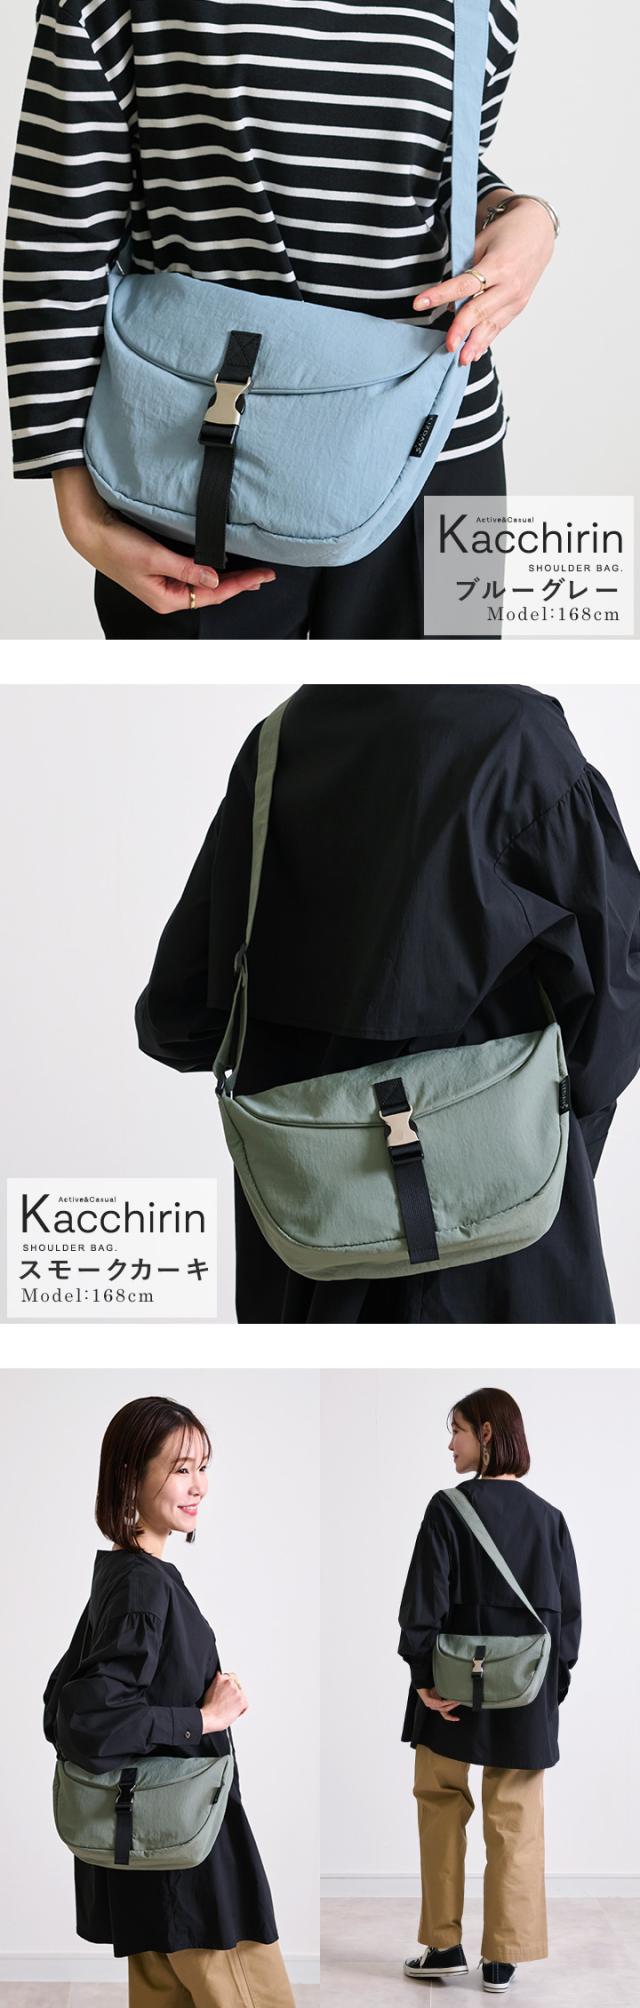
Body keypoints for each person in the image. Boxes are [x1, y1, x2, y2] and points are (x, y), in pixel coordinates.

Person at [5, 2, 558, 639]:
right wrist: (79, 507)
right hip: (193, 447)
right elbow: (58, 231)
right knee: (198, 705)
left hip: (441, 448)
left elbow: (435, 170)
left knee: (460, 700)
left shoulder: (488, 10)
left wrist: (523, 215)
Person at [135, 684, 640, 1324]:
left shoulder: (278, 745)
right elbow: (617, 1001)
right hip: (510, 1240)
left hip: (312, 1246)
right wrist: (548, 1133)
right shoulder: (517, 732)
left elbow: (177, 1020)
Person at [43, 1394, 295, 2008]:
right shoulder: (141, 1585)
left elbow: (63, 1704)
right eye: (181, 1468)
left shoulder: (126, 1574)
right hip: (185, 1852)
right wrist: (203, 1718)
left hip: (150, 1845)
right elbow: (87, 1720)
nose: (199, 1485)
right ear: (132, 1475)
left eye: (203, 1467)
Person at [398, 1387, 581, 1994]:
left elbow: (421, 1602)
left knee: (439, 1806)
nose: (450, 1444)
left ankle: (443, 1946)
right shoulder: (549, 1519)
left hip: (451, 1688)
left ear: (486, 1433)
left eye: (456, 1430)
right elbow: (567, 1621)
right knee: (517, 1820)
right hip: (527, 1690)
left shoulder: (447, 1509)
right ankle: (503, 1957)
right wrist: (548, 1688)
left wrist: (423, 1679)